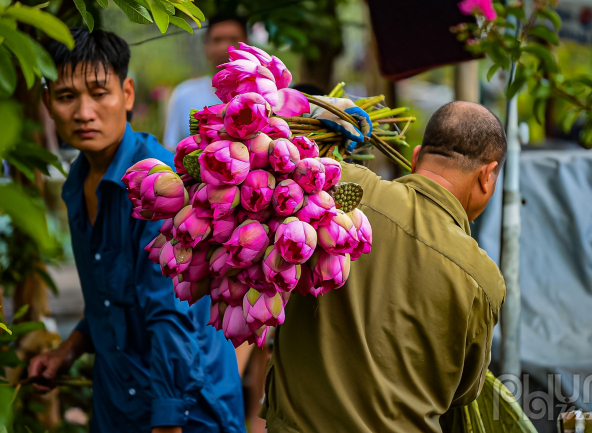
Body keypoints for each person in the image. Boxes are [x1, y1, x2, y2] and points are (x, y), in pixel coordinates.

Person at [29, 28, 245, 433]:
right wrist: (67, 351)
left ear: (127, 94)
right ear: (48, 103)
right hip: (119, 405)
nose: (84, 112)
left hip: (187, 411)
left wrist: (167, 423)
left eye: (99, 92)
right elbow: (110, 299)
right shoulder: (77, 183)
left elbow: (171, 317)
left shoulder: (158, 184)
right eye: (66, 97)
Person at [261, 101, 508, 432]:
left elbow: (258, 146)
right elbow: (462, 393)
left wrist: (322, 113)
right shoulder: (482, 279)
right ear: (487, 176)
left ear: (417, 156)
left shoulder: (336, 189)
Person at [163, 14, 248, 149]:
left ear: (247, 45)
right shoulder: (183, 95)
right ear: (206, 46)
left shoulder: (267, 96)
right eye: (217, 40)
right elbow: (171, 149)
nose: (225, 47)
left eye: (233, 39)